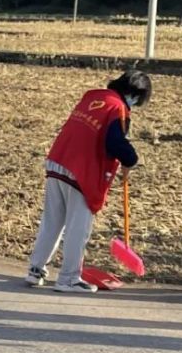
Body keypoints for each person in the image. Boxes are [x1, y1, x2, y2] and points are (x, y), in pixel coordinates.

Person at [26, 70, 151, 293]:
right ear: (134, 95)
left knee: (52, 221)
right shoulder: (117, 109)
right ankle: (69, 279)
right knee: (78, 227)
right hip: (82, 171)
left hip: (58, 161)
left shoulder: (93, 98)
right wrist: (130, 159)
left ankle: (36, 269)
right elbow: (115, 142)